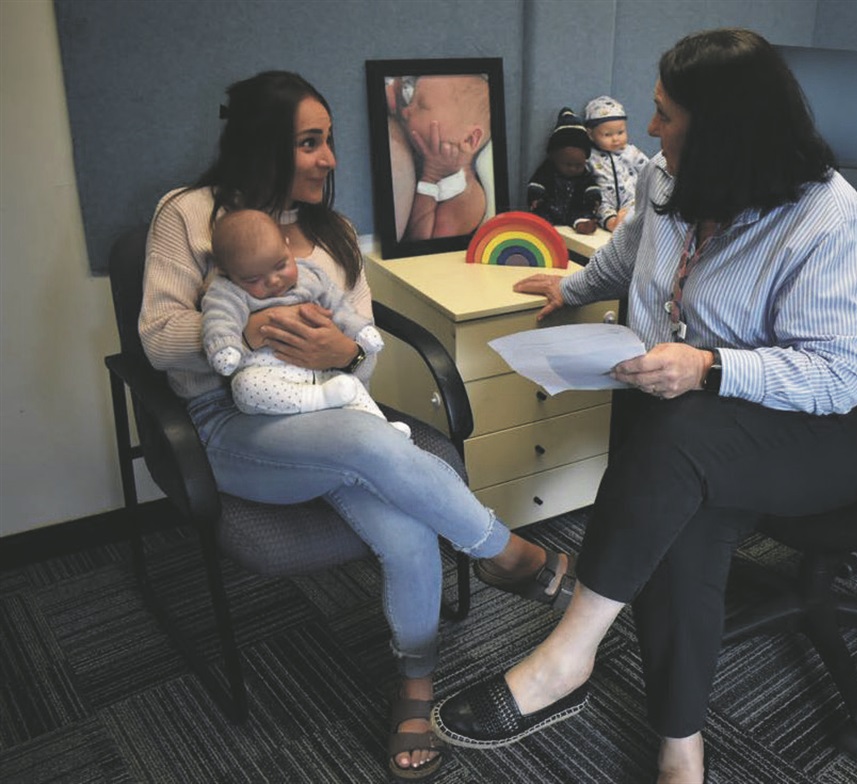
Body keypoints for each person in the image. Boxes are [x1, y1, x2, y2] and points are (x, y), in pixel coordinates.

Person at [429, 29, 857, 784]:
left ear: (724, 132)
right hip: (717, 412)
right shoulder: (670, 174)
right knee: (686, 508)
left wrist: (708, 366)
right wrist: (574, 287)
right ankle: (680, 744)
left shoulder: (833, 223)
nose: (649, 129)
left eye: (665, 114)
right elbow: (632, 249)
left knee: (679, 448)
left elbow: (840, 376)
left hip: (846, 416)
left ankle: (566, 656)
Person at [139, 70, 574, 781]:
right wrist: (252, 328)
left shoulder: (332, 235)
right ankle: (500, 551)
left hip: (337, 407)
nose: (330, 159)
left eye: (329, 141)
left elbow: (360, 348)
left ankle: (415, 684)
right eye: (310, 143)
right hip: (232, 424)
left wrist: (343, 351)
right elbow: (156, 338)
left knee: (403, 517)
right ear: (262, 145)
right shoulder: (187, 215)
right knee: (380, 448)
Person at [203, 209, 410, 433]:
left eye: (281, 265)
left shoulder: (309, 275)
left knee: (350, 386)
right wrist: (227, 346)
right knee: (245, 386)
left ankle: (382, 428)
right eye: (253, 279)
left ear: (287, 244)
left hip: (321, 373)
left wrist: (358, 335)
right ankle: (318, 399)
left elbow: (339, 306)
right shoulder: (228, 290)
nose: (274, 281)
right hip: (269, 374)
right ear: (227, 272)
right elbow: (219, 318)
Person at [387, 74, 493, 243]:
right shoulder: (428, 154)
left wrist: (431, 177)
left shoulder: (464, 198)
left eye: (422, 106)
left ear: (468, 140)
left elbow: (422, 242)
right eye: (411, 100)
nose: (406, 111)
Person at [526, 108, 603, 234]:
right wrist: (536, 197)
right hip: (551, 207)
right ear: (554, 157)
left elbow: (591, 185)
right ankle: (542, 224)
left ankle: (582, 224)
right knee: (541, 215)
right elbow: (537, 183)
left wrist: (593, 198)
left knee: (582, 214)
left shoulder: (584, 174)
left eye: (578, 165)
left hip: (575, 207)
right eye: (567, 164)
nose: (573, 168)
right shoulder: (548, 170)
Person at [583, 95, 650, 233]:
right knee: (601, 209)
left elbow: (648, 169)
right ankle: (613, 224)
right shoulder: (590, 157)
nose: (616, 139)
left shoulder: (631, 152)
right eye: (607, 135)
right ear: (590, 134)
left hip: (631, 196)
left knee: (637, 205)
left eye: (620, 132)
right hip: (604, 198)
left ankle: (631, 223)